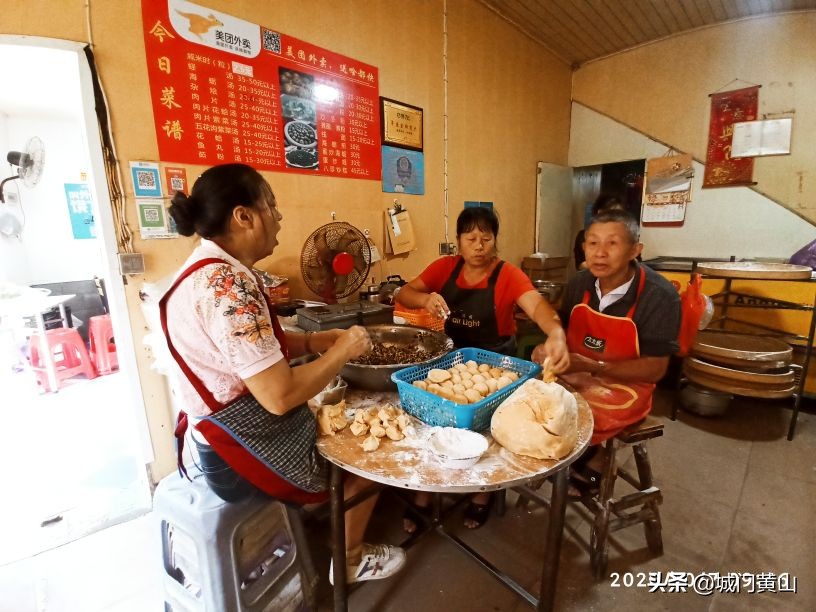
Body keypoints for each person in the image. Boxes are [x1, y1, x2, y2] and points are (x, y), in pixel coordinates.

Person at [161, 163, 405, 585]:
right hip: (238, 453)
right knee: (369, 458)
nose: (279, 217)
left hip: (211, 445)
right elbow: (278, 396)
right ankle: (349, 560)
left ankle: (328, 529)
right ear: (243, 216)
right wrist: (345, 348)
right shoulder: (227, 286)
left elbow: (246, 350)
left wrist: (313, 343)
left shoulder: (202, 271)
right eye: (270, 205)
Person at [396, 206, 570, 529]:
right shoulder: (445, 269)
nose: (479, 245)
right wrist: (426, 299)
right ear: (458, 242)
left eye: (486, 238)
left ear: (495, 242)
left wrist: (556, 331)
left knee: (488, 429)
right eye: (471, 238)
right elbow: (404, 291)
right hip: (450, 363)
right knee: (434, 423)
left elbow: (538, 307)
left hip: (495, 364)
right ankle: (425, 494)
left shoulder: (508, 275)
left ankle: (482, 495)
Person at [534, 209, 680, 498]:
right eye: (592, 243)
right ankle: (573, 460)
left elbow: (655, 370)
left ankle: (590, 462)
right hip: (579, 371)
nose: (600, 253)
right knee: (530, 397)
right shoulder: (579, 283)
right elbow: (560, 326)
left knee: (567, 415)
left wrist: (594, 366)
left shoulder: (659, 296)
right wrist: (550, 344)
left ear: (635, 250)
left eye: (612, 243)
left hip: (627, 387)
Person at [573, 194, 625, 271]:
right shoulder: (583, 236)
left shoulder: (626, 237)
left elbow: (636, 263)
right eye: (613, 213)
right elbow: (581, 265)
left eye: (620, 214)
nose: (617, 217)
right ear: (600, 213)